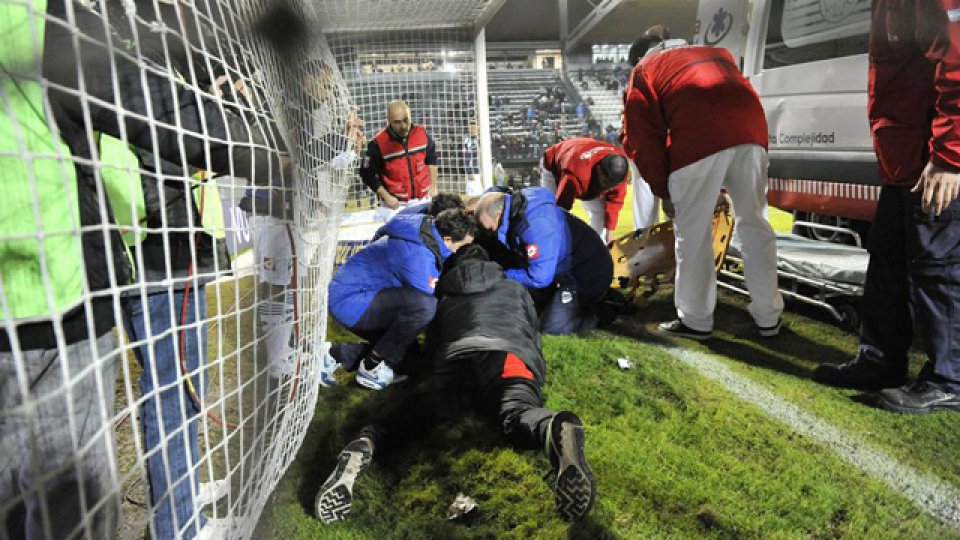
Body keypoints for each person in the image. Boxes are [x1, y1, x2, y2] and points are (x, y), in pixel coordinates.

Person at [314, 245, 596, 524]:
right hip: (508, 355)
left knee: (416, 414)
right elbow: (531, 336)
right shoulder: (515, 289)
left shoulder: (444, 296)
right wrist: (533, 375)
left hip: (455, 361)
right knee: (517, 411)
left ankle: (369, 441)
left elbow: (432, 349)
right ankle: (551, 427)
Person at [814, 0, 960, 414]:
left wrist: (950, 157)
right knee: (888, 261)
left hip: (933, 158)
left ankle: (950, 379)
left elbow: (957, 63)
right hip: (904, 159)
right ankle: (879, 360)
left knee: (940, 268)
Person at [623, 33, 783, 340]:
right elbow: (729, 106)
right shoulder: (718, 53)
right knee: (755, 224)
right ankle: (769, 315)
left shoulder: (644, 71)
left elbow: (643, 140)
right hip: (751, 133)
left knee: (693, 234)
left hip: (698, 138)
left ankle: (696, 319)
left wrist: (663, 191)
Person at [326, 210, 476, 389]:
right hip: (352, 302)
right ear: (448, 240)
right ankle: (371, 367)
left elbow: (382, 231)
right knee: (425, 308)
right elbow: (423, 309)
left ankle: (334, 354)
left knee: (411, 362)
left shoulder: (421, 224)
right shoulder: (418, 258)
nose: (458, 252)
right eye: (460, 247)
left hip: (362, 291)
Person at [473, 187, 620, 335]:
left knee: (552, 327)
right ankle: (561, 300)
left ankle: (600, 312)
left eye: (487, 227)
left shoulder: (536, 226)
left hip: (588, 275)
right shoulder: (515, 208)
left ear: (498, 214)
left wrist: (500, 274)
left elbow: (539, 278)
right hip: (564, 269)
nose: (488, 230)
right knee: (533, 302)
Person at [540, 137, 630, 243]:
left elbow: (614, 202)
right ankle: (546, 245)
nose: (609, 188)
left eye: (613, 184)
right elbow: (561, 207)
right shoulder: (576, 176)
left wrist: (610, 235)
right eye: (607, 183)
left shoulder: (619, 172)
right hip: (554, 164)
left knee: (600, 213)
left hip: (580, 157)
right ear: (599, 170)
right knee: (550, 212)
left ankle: (594, 246)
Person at [359, 100, 439, 213]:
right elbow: (366, 174)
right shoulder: (378, 144)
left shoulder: (422, 134)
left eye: (406, 120)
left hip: (423, 199)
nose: (403, 126)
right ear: (389, 121)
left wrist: (433, 186)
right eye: (397, 122)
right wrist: (386, 197)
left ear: (410, 115)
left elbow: (432, 159)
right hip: (394, 205)